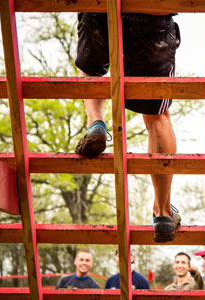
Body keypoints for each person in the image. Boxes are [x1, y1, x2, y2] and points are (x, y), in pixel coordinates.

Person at [74, 12, 181, 243]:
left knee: (91, 69)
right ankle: (162, 212)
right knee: (157, 114)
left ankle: (95, 124)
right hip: (150, 14)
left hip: (100, 7)